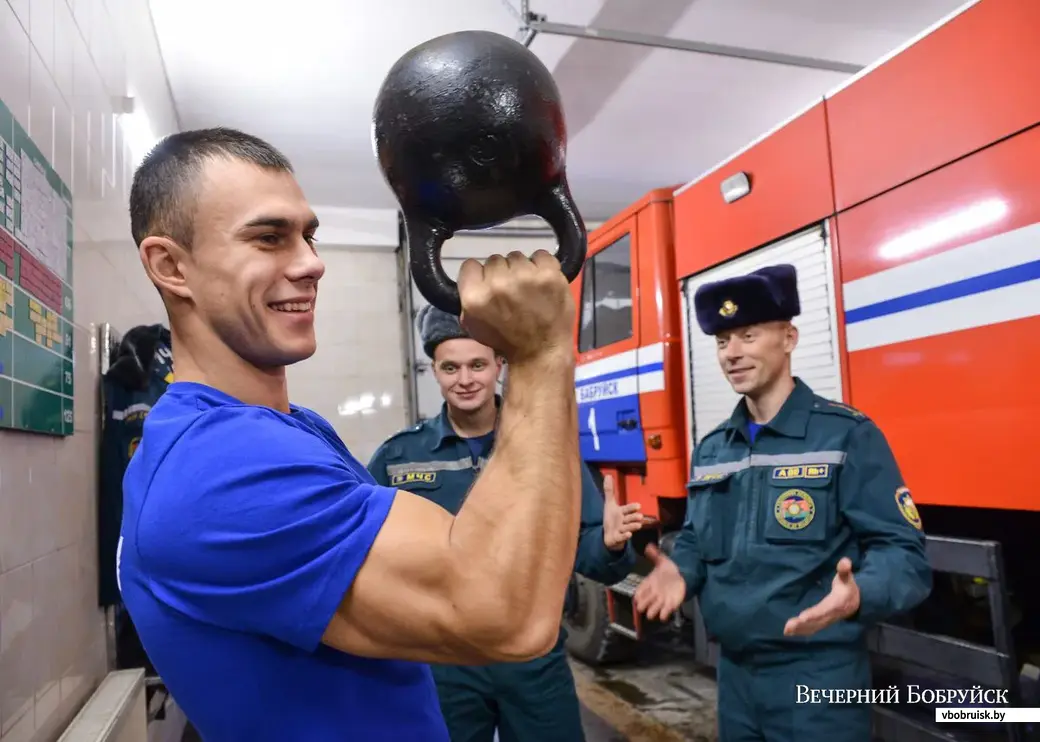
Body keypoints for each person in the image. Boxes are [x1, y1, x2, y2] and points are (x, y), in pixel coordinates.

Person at [116, 127, 589, 742]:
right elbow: (506, 614)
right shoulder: (220, 467)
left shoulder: (285, 429)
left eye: (307, 235)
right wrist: (539, 351)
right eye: (268, 238)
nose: (312, 263)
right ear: (171, 265)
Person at [632, 264, 933, 742]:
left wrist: (861, 594)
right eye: (722, 341)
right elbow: (696, 537)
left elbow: (904, 554)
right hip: (734, 677)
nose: (732, 353)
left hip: (818, 679)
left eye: (748, 335)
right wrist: (680, 568)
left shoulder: (847, 435)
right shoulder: (714, 449)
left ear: (789, 338)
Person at [368, 305, 643, 742]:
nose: (465, 379)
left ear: (500, 365)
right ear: (434, 371)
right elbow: (372, 559)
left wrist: (609, 545)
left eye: (478, 364)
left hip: (532, 662)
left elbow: (589, 555)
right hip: (445, 665)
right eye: (450, 367)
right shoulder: (399, 459)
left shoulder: (546, 451)